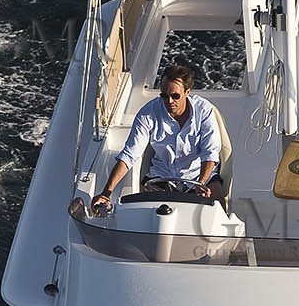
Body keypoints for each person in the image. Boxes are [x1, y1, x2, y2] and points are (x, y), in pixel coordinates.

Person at [90, 63, 225, 213]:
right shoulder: (147, 113)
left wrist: (201, 183)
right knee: (148, 217)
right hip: (161, 178)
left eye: (175, 96)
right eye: (164, 95)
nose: (169, 101)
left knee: (217, 211)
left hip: (199, 178)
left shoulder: (204, 110)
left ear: (188, 92)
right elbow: (129, 155)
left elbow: (210, 152)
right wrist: (106, 193)